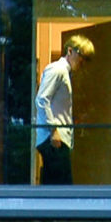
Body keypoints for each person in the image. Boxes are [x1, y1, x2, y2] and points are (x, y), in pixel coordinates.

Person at [33, 34, 95, 185]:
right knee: (60, 187)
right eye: (82, 56)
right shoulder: (58, 70)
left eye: (86, 59)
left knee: (58, 185)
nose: (82, 62)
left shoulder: (64, 72)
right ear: (70, 51)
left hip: (58, 138)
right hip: (54, 140)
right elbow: (42, 99)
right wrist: (53, 130)